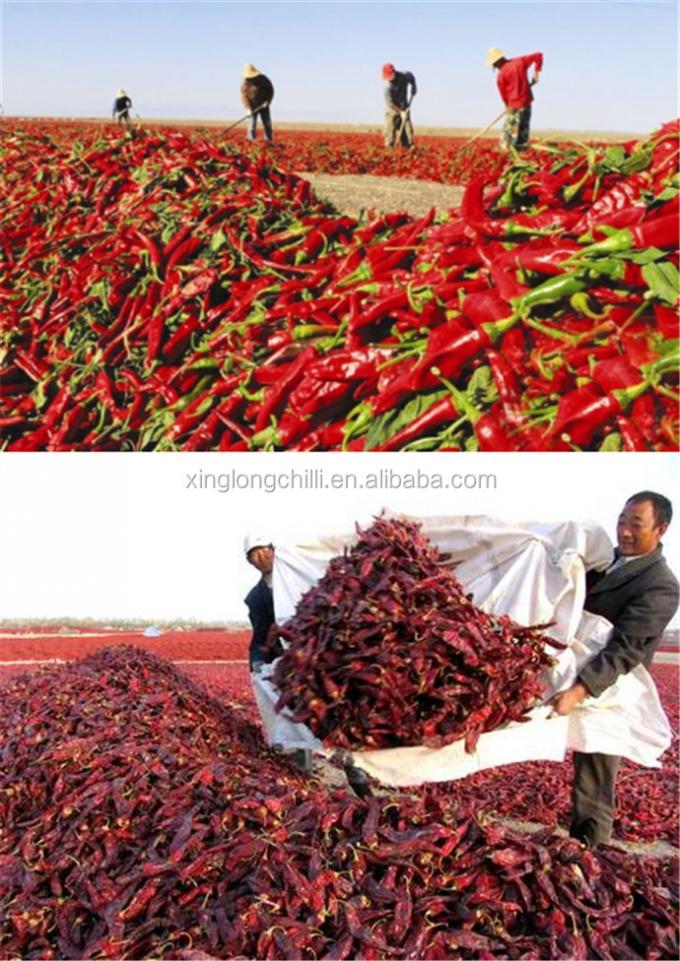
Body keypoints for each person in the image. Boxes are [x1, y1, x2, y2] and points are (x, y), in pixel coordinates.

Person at [552, 491, 679, 847]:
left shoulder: (660, 584)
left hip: (608, 687)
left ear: (660, 529)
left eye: (635, 525)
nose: (623, 531)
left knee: (594, 773)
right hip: (567, 665)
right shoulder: (604, 562)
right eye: (621, 521)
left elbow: (626, 650)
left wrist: (579, 691)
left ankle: (587, 855)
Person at [486, 47, 542, 152]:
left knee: (507, 131)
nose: (494, 67)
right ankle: (522, 151)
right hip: (526, 103)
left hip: (514, 105)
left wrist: (507, 106)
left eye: (493, 65)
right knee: (523, 129)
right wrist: (536, 73)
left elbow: (504, 95)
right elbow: (539, 55)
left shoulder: (501, 76)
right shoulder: (520, 62)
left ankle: (504, 151)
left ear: (496, 62)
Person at [382, 63, 417, 148]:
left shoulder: (404, 76)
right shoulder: (387, 86)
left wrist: (414, 87)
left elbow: (411, 76)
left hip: (404, 105)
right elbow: (390, 103)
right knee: (390, 128)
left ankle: (408, 147)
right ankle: (389, 147)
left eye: (391, 75)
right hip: (392, 108)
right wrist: (400, 112)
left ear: (394, 72)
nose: (390, 79)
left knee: (407, 128)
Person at [241, 65, 274, 142]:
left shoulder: (264, 80)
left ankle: (268, 141)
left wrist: (268, 101)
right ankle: (251, 141)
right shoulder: (245, 85)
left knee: (267, 124)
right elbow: (244, 98)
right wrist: (248, 109)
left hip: (264, 105)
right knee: (251, 125)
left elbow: (271, 91)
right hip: (253, 106)